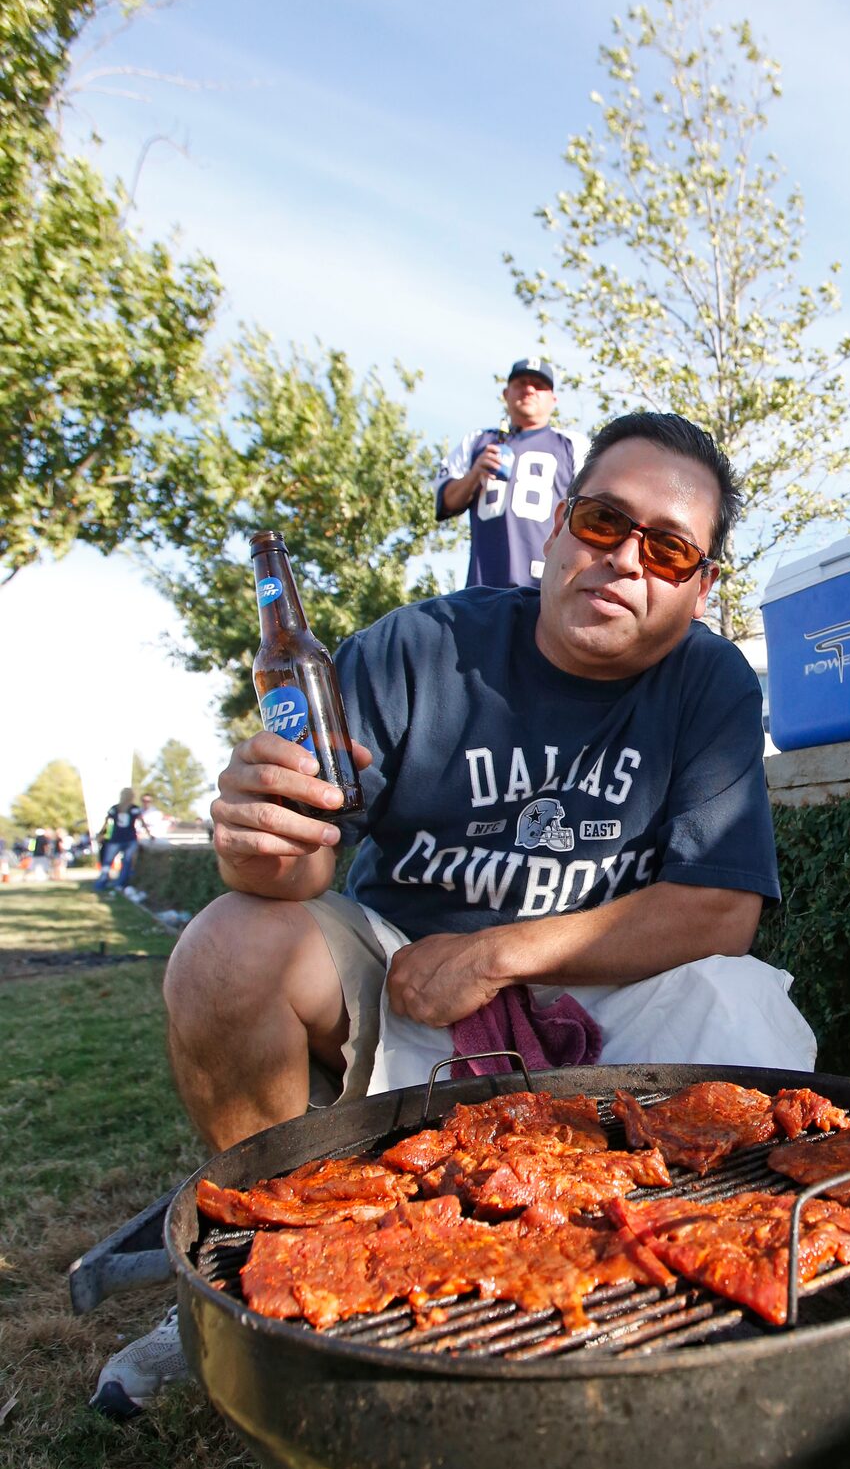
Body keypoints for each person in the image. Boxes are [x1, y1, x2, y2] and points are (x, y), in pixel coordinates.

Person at [94, 412, 813, 1412]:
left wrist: (506, 953)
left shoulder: (712, 682)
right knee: (224, 950)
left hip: (600, 1012)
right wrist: (258, 844)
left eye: (669, 547)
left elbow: (722, 913)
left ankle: (674, 1267)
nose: (625, 561)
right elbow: (299, 872)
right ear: (558, 527)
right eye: (605, 521)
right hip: (407, 992)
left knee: (754, 1016)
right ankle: (271, 1269)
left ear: (700, 587)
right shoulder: (418, 649)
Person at [434, 356, 581, 587]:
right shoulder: (477, 441)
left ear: (553, 399)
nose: (529, 389)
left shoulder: (574, 446)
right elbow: (445, 502)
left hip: (544, 587)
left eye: (539, 385)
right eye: (521, 383)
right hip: (484, 585)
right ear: (506, 393)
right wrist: (473, 476)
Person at [93, 788, 151, 893]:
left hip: (115, 838)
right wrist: (150, 834)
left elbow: (106, 822)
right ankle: (120, 884)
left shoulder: (115, 808)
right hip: (129, 838)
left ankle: (101, 883)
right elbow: (142, 822)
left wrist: (101, 833)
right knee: (126, 862)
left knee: (107, 862)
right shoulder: (134, 809)